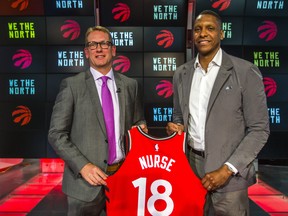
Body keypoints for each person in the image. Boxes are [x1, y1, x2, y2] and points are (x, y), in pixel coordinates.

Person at [166, 10, 270, 216]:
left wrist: (228, 169)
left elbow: (259, 130)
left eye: (210, 28)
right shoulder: (181, 73)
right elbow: (178, 115)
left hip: (231, 176)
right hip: (191, 170)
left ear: (221, 34)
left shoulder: (245, 72)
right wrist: (175, 126)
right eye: (197, 29)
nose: (202, 33)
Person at [48, 25, 147, 216]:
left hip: (123, 181)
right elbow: (56, 134)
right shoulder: (72, 85)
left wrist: (140, 130)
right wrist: (83, 166)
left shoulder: (130, 85)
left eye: (104, 43)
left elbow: (138, 121)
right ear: (86, 52)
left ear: (113, 50)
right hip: (84, 185)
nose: (99, 49)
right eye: (93, 45)